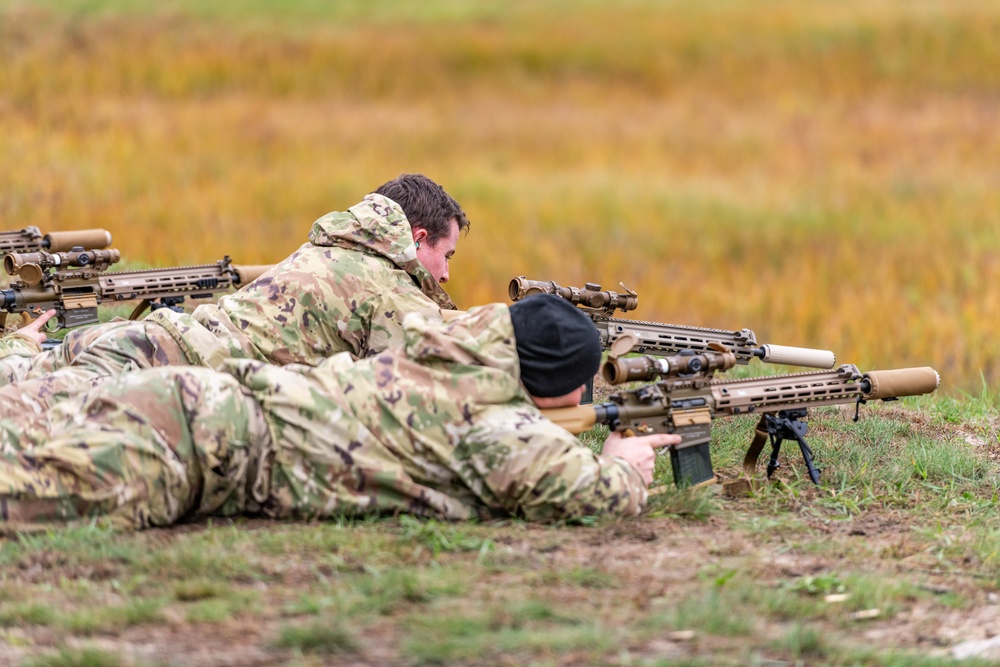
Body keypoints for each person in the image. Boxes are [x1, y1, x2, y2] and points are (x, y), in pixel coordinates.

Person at [0, 295, 680, 529]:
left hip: (195, 400)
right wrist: (623, 464)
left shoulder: (446, 355)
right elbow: (587, 494)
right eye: (579, 385)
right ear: (551, 384)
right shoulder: (492, 423)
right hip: (200, 445)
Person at [0, 173, 469, 414]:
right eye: (446, 255)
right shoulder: (385, 285)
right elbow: (446, 363)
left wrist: (20, 341)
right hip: (157, 365)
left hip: (134, 338)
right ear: (418, 237)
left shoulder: (326, 250)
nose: (445, 275)